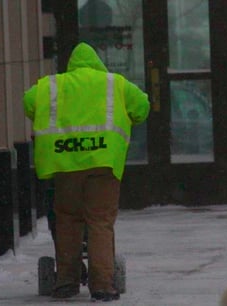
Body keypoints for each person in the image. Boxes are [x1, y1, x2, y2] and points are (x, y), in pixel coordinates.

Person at [23, 42, 150, 301]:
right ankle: (103, 284)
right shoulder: (116, 84)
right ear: (97, 64)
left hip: (65, 166)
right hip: (103, 165)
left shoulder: (51, 85)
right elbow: (142, 108)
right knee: (100, 222)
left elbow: (28, 103)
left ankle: (66, 281)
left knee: (67, 219)